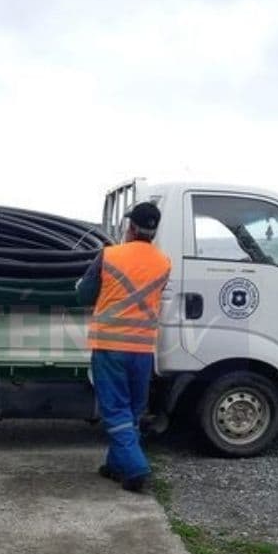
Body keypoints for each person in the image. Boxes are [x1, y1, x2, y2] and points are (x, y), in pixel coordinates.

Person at [76, 201, 171, 493]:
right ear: (154, 231)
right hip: (143, 349)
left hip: (110, 346)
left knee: (115, 410)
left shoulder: (108, 255)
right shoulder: (164, 263)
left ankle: (135, 468)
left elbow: (84, 294)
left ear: (130, 227)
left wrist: (82, 285)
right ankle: (115, 466)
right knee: (131, 410)